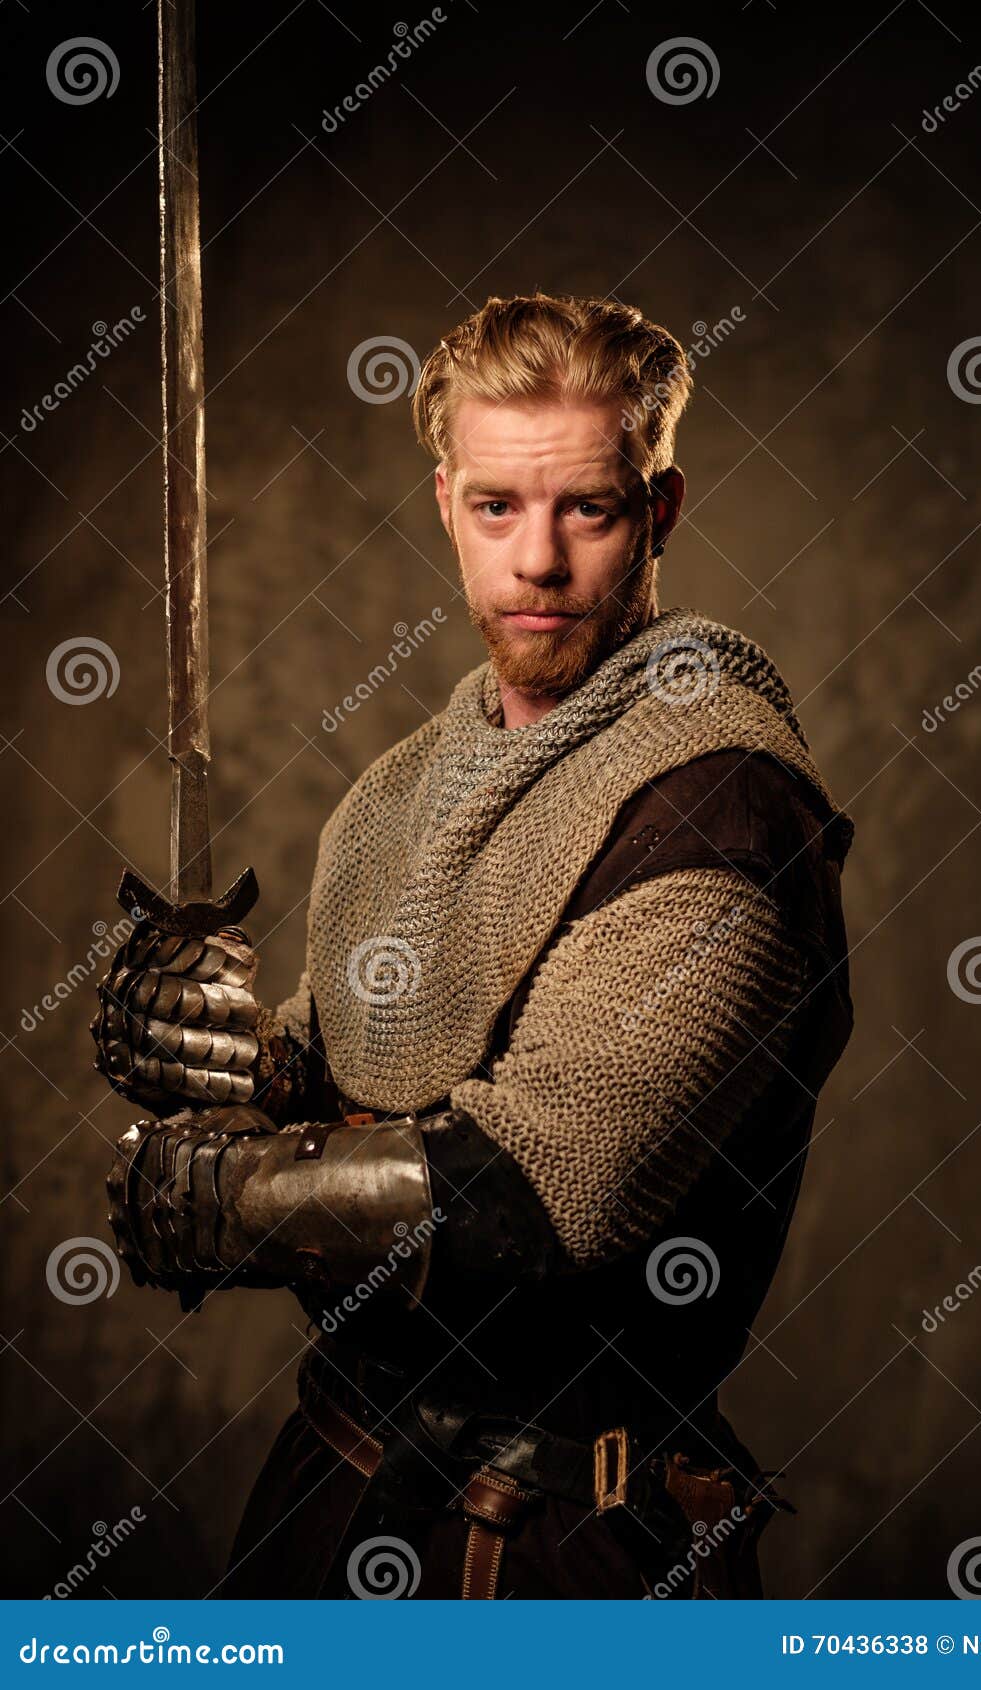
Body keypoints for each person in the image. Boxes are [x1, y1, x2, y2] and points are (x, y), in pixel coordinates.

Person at [93, 292, 855, 1600]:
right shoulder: (408, 789)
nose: (538, 562)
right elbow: (368, 1072)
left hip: (557, 1543)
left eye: (589, 510)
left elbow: (548, 1182)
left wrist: (236, 1202)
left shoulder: (726, 806)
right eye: (499, 506)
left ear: (658, 512)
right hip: (331, 1488)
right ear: (448, 504)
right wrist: (227, 1052)